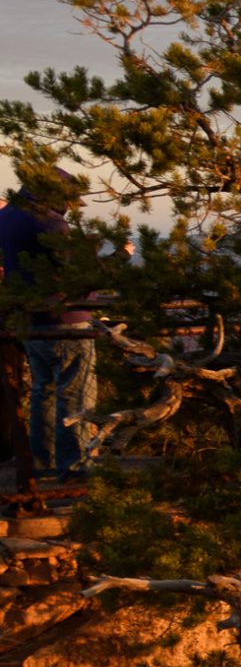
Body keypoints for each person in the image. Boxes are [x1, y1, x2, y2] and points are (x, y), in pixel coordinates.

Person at [0, 172, 90, 485]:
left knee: (43, 393)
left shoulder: (8, 216)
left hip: (30, 322)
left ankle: (40, 462)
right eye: (66, 199)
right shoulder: (52, 224)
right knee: (75, 397)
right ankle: (74, 469)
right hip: (65, 320)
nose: (68, 207)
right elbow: (73, 273)